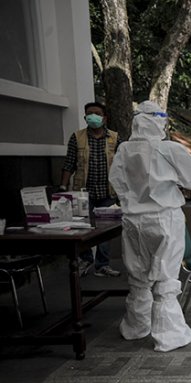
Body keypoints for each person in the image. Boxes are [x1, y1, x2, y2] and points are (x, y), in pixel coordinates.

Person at [109, 100, 191, 352]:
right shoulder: (168, 149)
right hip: (164, 217)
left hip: (133, 219)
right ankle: (169, 334)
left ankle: (136, 326)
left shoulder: (124, 150)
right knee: (165, 276)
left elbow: (117, 182)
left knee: (138, 275)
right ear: (158, 121)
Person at [60, 101, 121, 277]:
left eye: (97, 113)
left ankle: (102, 265)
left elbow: (123, 163)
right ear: (85, 117)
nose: (93, 116)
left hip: (107, 192)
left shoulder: (115, 138)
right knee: (82, 229)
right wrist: (63, 187)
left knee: (105, 231)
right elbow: (69, 163)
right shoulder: (77, 137)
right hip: (82, 192)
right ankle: (86, 261)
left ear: (104, 117)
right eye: (89, 113)